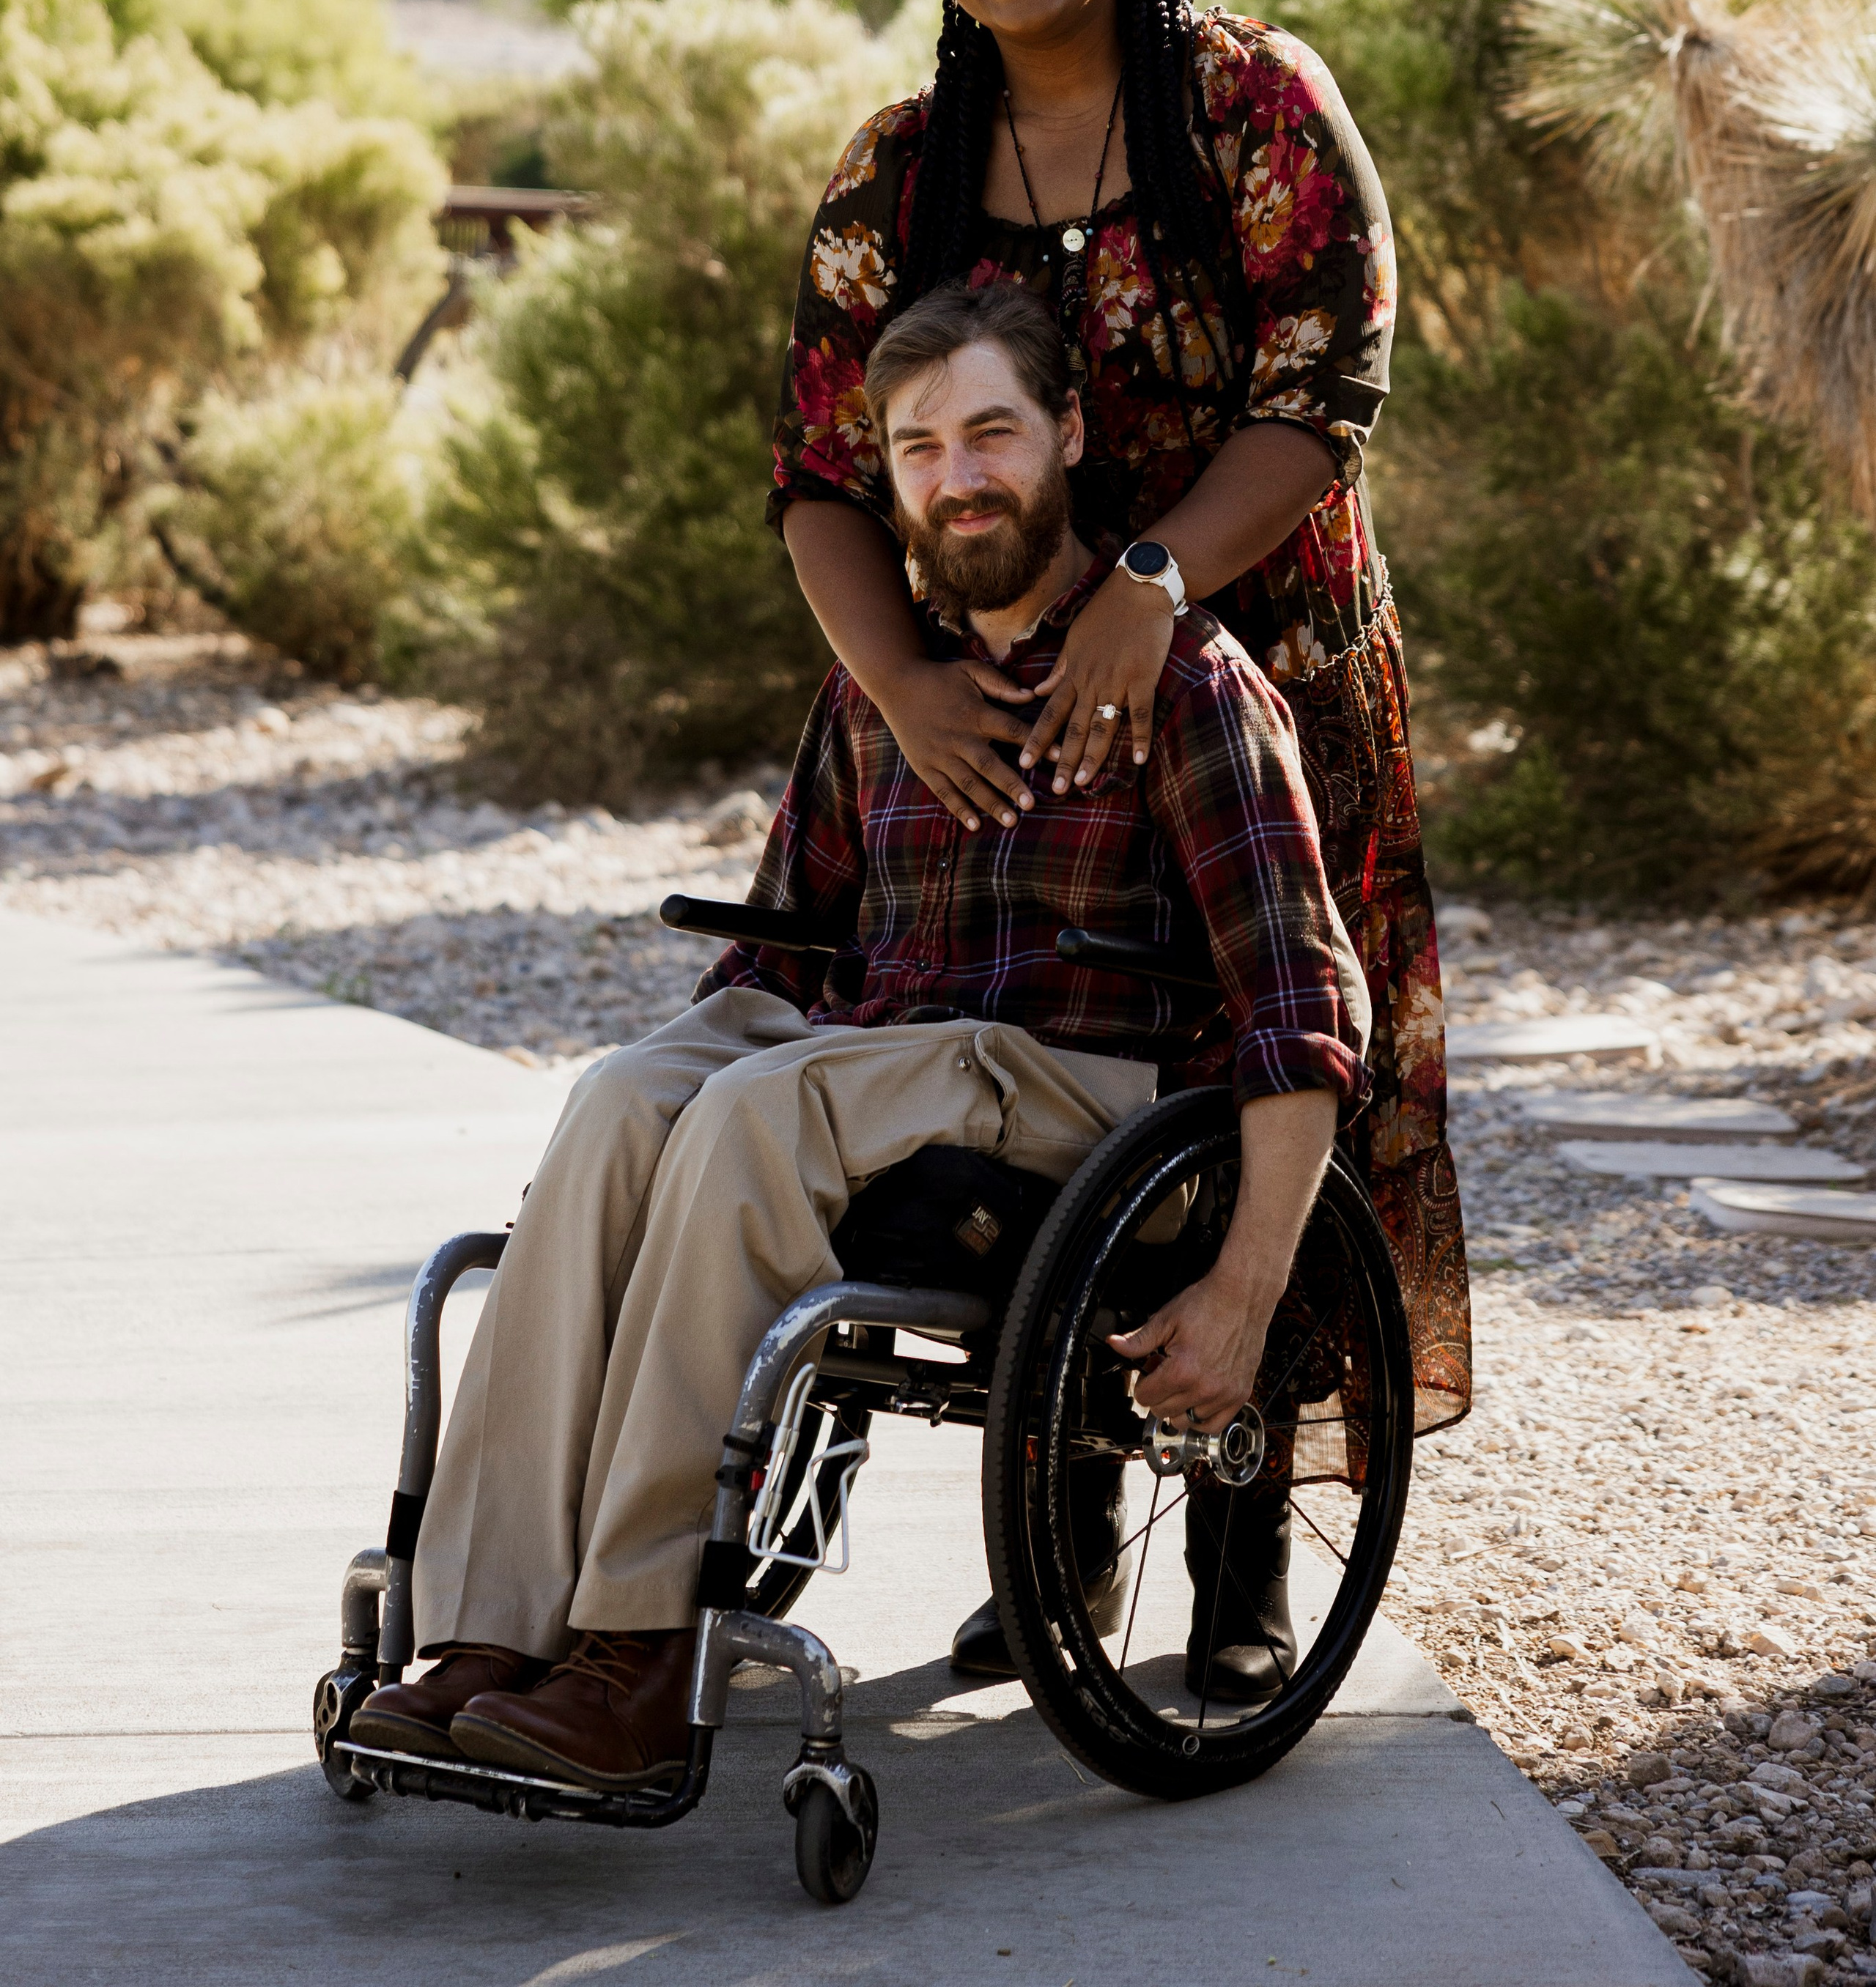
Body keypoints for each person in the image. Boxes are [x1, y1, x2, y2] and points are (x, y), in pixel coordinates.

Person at [352, 278, 1372, 1792]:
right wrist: (617, 1173)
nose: (958, 477)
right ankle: (491, 1634)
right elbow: (783, 947)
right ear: (887, 478)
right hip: (882, 1062)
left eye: (991, 434)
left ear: (1067, 436)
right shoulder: (877, 692)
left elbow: (1302, 1006)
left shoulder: (1189, 684)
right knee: (629, 1095)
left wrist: (1244, 1288)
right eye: (916, 449)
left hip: (1074, 1089)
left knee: (760, 1117)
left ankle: (641, 1653)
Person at [770, 0, 1471, 1566]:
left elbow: (1324, 392)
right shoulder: (900, 167)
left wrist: (1151, 585)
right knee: (1038, 1051)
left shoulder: (1250, 102)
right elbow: (822, 478)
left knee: (1258, 1051)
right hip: (991, 689)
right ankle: (1061, 1544)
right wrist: (901, 694)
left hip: (1255, 662)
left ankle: (1240, 1554)